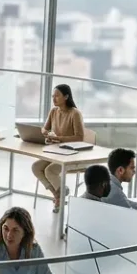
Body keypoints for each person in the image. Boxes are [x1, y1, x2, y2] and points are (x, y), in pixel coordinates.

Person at [31, 84, 85, 212]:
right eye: (53, 96)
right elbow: (44, 128)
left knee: (50, 170)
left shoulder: (75, 113)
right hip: (56, 151)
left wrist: (58, 138)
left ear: (66, 97)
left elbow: (79, 137)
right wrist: (47, 133)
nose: (54, 99)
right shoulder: (54, 111)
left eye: (57, 96)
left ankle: (59, 197)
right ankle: (57, 194)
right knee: (36, 167)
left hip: (72, 154)